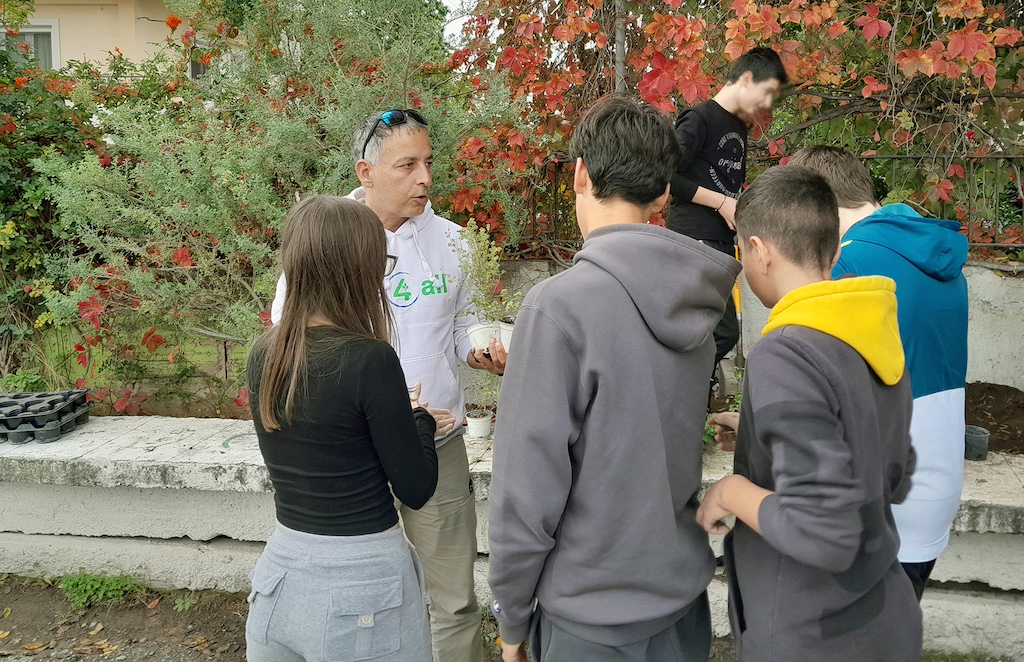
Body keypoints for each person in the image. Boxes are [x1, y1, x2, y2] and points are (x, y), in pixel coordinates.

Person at [488, 96, 741, 662]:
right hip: (682, 609)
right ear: (662, 196)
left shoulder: (559, 308)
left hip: (590, 621)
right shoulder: (700, 302)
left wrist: (511, 617)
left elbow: (526, 492)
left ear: (580, 173)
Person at [270, 110, 497, 662]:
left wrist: (480, 347)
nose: (425, 178)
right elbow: (292, 336)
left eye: (429, 163)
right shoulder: (327, 241)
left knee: (454, 601)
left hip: (437, 443)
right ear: (365, 171)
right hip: (352, 457)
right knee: (360, 597)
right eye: (407, 165)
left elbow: (464, 320)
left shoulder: (455, 243)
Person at [696, 166, 922, 661]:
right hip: (884, 614)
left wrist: (732, 491)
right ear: (835, 251)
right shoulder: (871, 329)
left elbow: (824, 532)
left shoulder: (788, 352)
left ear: (759, 250)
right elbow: (893, 469)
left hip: (814, 633)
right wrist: (761, 434)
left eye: (740, 251)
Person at [246, 195, 437, 661]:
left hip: (280, 579)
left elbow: (323, 437)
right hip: (364, 590)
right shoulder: (369, 359)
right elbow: (415, 487)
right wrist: (422, 421)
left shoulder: (263, 354)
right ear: (359, 269)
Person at [788, 146, 969, 600]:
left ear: (817, 204)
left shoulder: (847, 266)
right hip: (935, 487)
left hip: (879, 503)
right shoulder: (936, 257)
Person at [666, 47, 788, 394]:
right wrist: (721, 203)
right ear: (747, 79)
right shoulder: (699, 119)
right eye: (766, 94)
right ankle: (673, 386)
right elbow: (666, 177)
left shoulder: (737, 126)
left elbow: (727, 184)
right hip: (692, 239)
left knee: (708, 331)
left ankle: (687, 401)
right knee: (722, 332)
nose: (766, 106)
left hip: (721, 243)